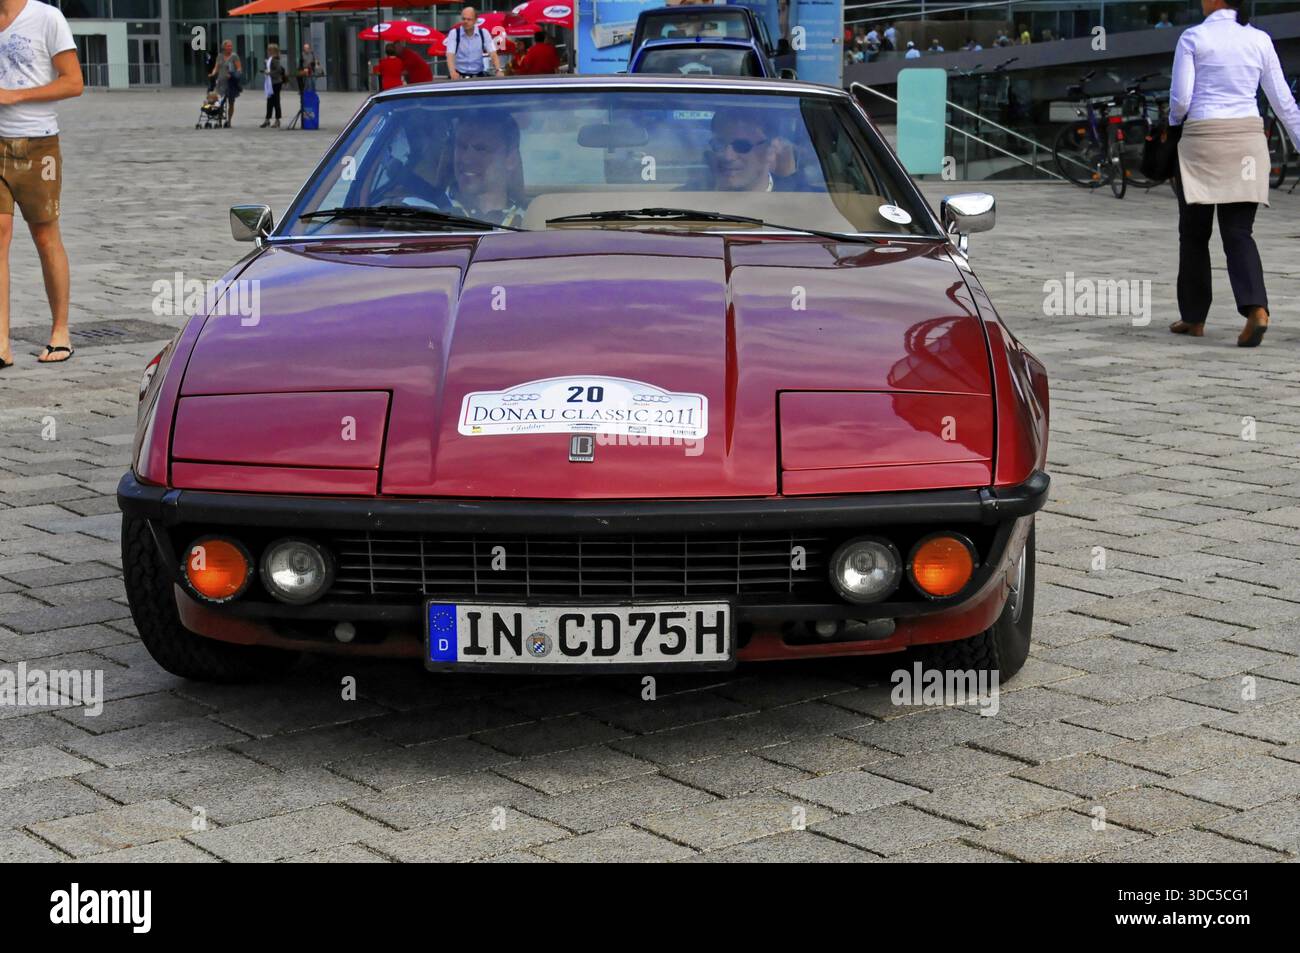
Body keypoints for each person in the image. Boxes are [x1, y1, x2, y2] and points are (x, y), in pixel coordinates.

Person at [1167, 0, 1300, 347]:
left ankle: (1194, 318)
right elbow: (1283, 102)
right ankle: (1256, 310)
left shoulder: (1193, 38)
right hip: (1247, 143)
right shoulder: (1259, 39)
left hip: (1204, 142)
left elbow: (1181, 100)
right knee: (1239, 231)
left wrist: (1171, 125)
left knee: (1194, 233)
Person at [0, 0, 83, 370]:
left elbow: (73, 82)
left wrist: (14, 95)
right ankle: (0, 342)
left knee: (45, 237)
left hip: (38, 144)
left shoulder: (47, 17)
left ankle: (60, 332)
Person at [446, 7, 504, 80]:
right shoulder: (454, 33)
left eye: (469, 19)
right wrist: (452, 72)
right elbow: (450, 54)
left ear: (476, 20)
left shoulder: (483, 33)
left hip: (478, 76)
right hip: (459, 76)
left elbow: (493, 53)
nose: (465, 21)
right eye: (463, 19)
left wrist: (498, 70)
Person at [209, 39, 241, 127]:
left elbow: (239, 68)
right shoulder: (219, 56)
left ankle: (229, 121)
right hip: (221, 82)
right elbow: (216, 67)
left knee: (231, 102)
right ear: (224, 47)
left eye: (231, 46)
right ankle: (219, 120)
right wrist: (213, 73)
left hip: (230, 83)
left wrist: (235, 74)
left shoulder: (234, 56)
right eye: (228, 46)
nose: (230, 48)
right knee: (219, 102)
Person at [261, 42, 286, 128]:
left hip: (276, 83)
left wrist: (269, 73)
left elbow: (278, 70)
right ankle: (267, 119)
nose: (267, 51)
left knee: (276, 101)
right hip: (270, 83)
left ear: (273, 51)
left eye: (269, 50)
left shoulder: (275, 60)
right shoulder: (270, 59)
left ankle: (277, 120)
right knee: (269, 102)